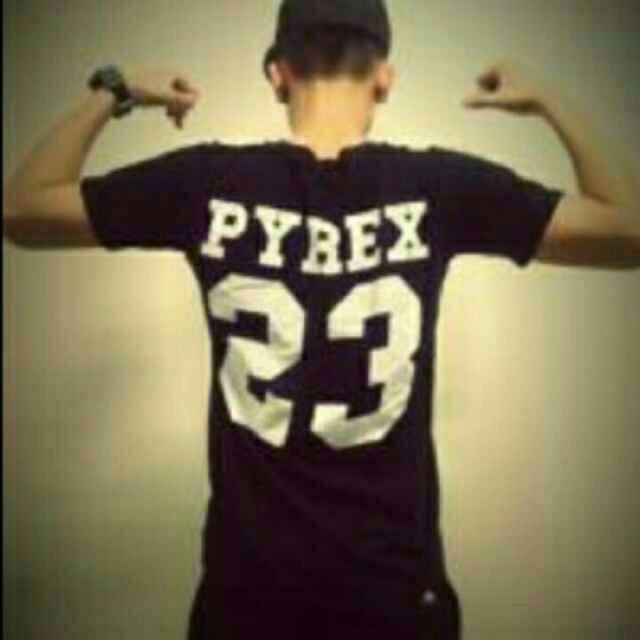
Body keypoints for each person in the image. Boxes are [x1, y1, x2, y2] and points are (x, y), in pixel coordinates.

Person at [4, 0, 639, 638]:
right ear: (385, 77)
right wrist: (551, 100)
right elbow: (629, 229)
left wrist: (116, 90)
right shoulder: (440, 186)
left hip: (246, 601)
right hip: (395, 598)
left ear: (277, 75)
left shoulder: (205, 182)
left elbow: (23, 208)